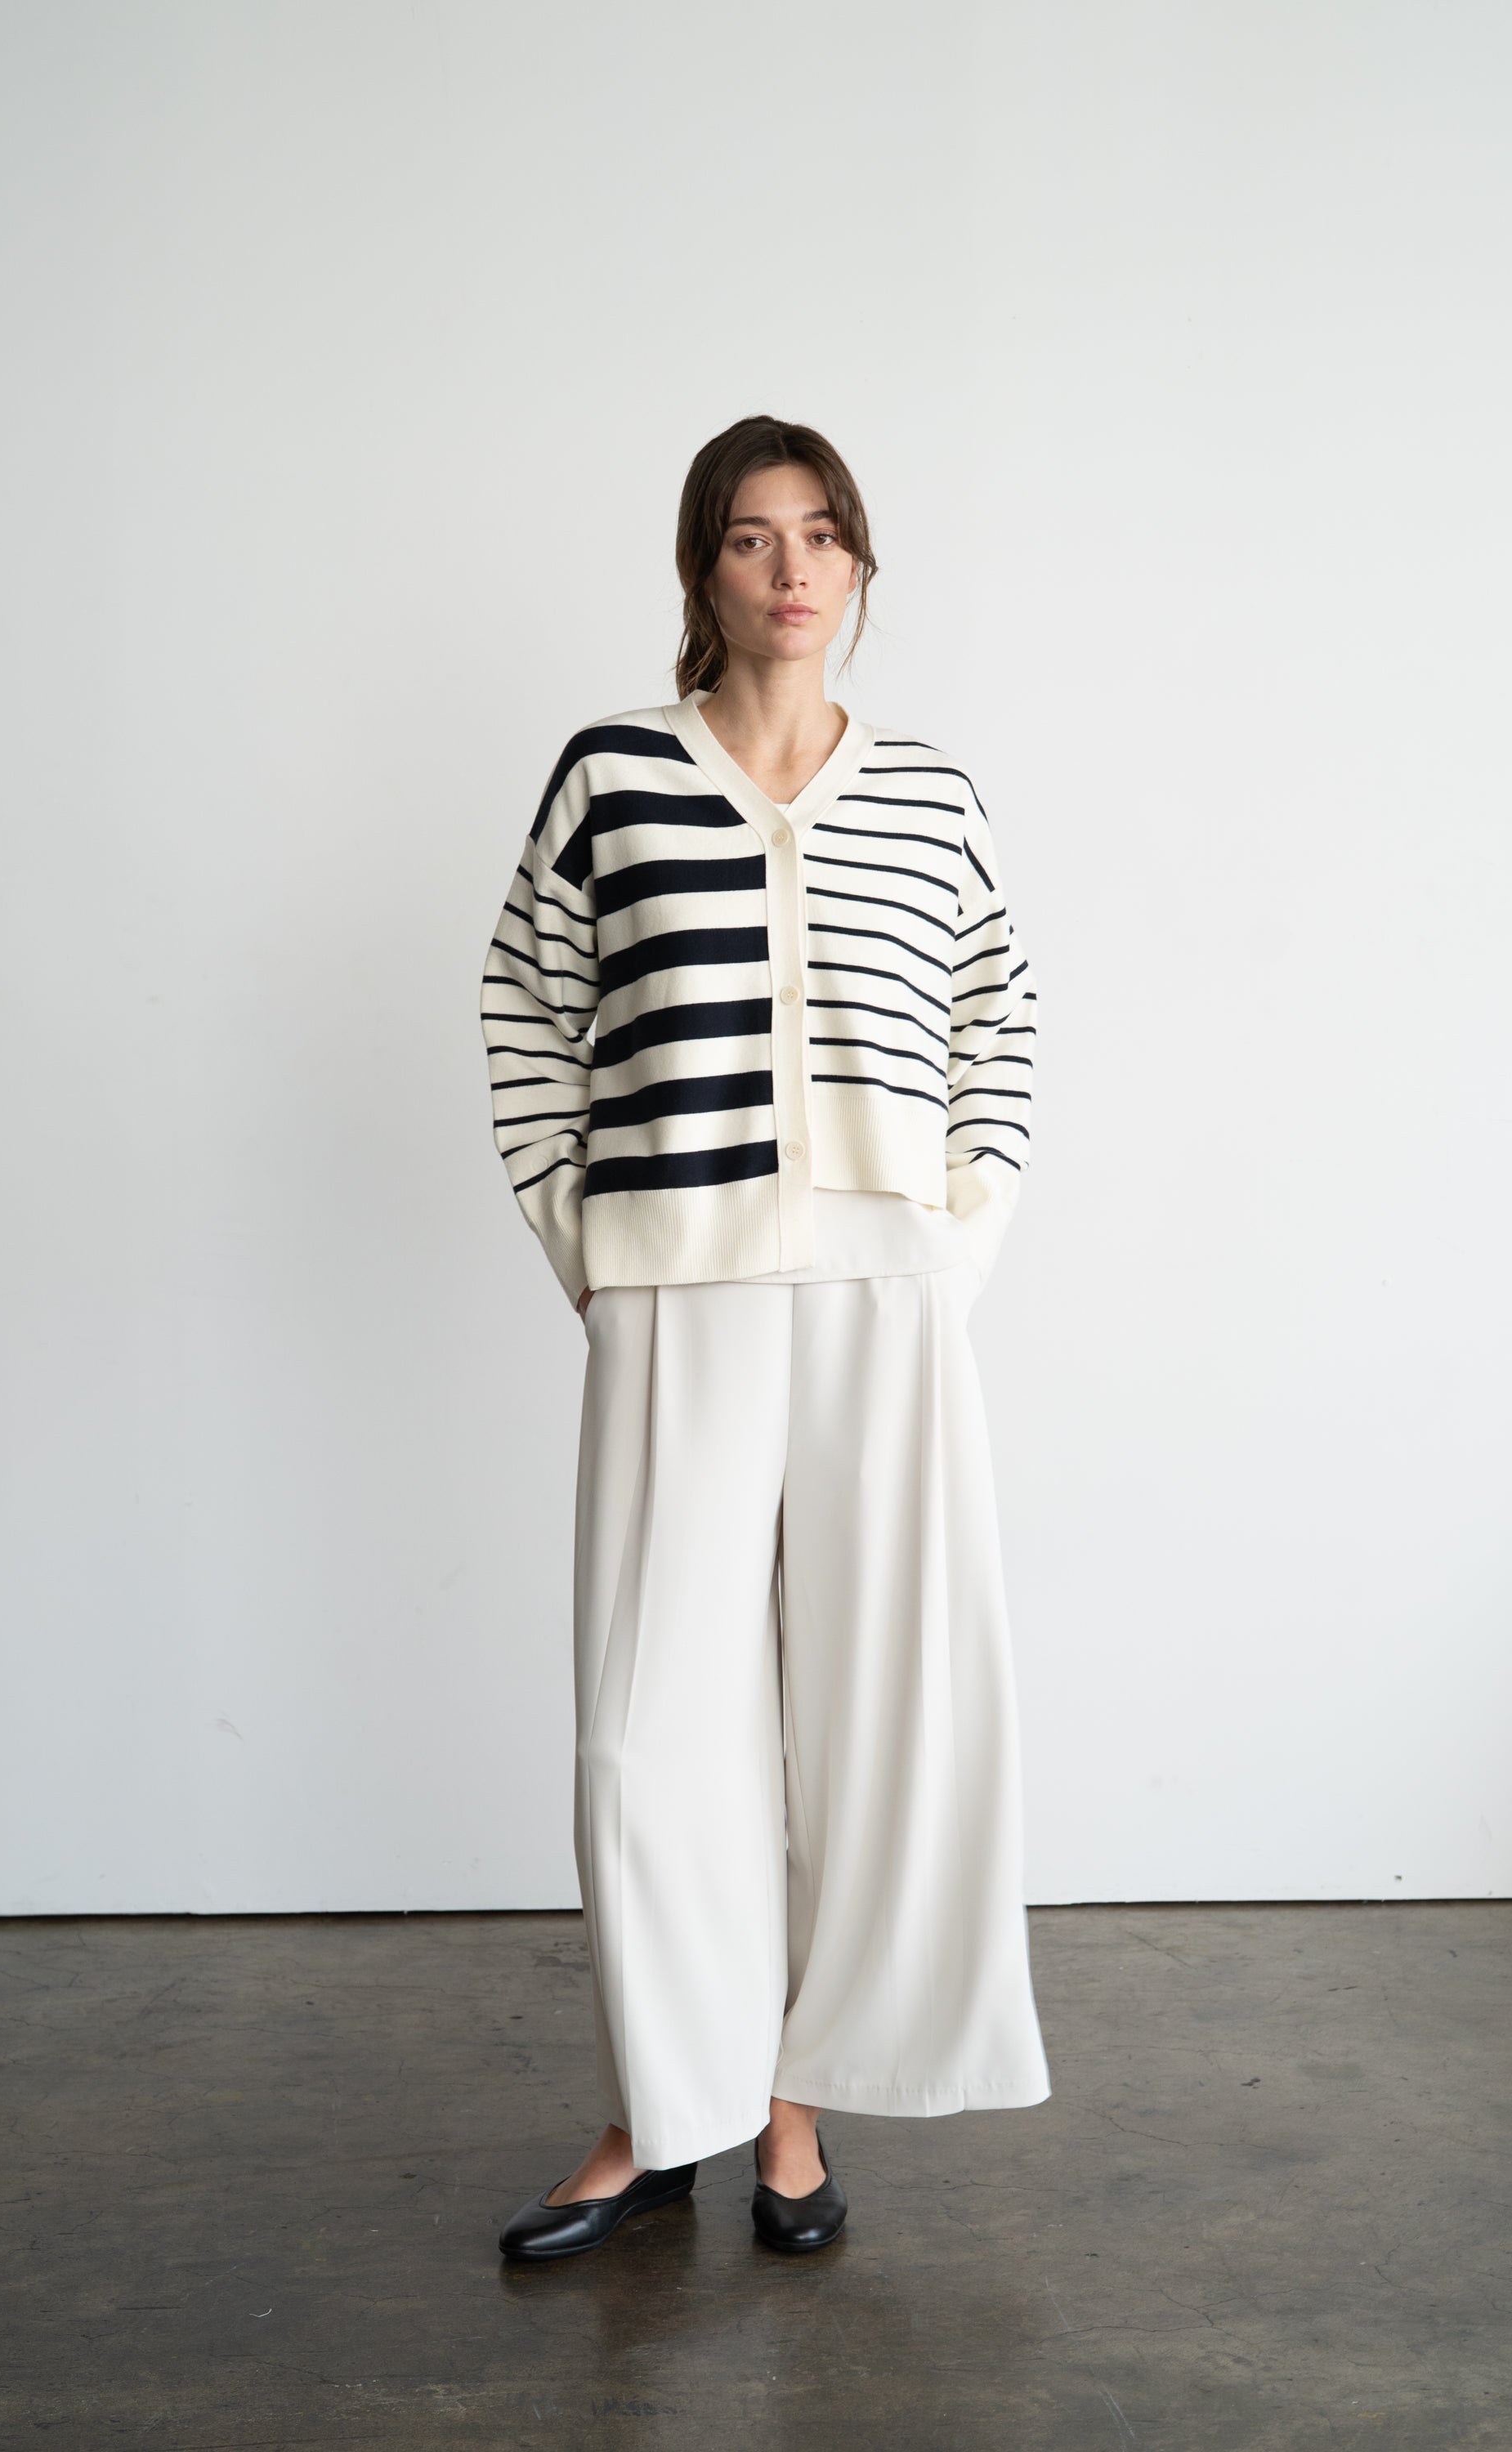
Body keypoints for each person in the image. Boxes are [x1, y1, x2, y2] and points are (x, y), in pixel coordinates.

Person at [479, 414, 1049, 2262]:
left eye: (820, 534)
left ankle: (795, 2107)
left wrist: (959, 1234)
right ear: (700, 569)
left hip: (888, 1289)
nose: (790, 569)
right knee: (649, 1729)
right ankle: (665, 2109)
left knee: (884, 1706)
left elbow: (999, 1018)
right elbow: (526, 1005)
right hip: (680, 1285)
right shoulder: (614, 775)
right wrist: (586, 1241)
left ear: (859, 562)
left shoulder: (931, 794)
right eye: (749, 537)